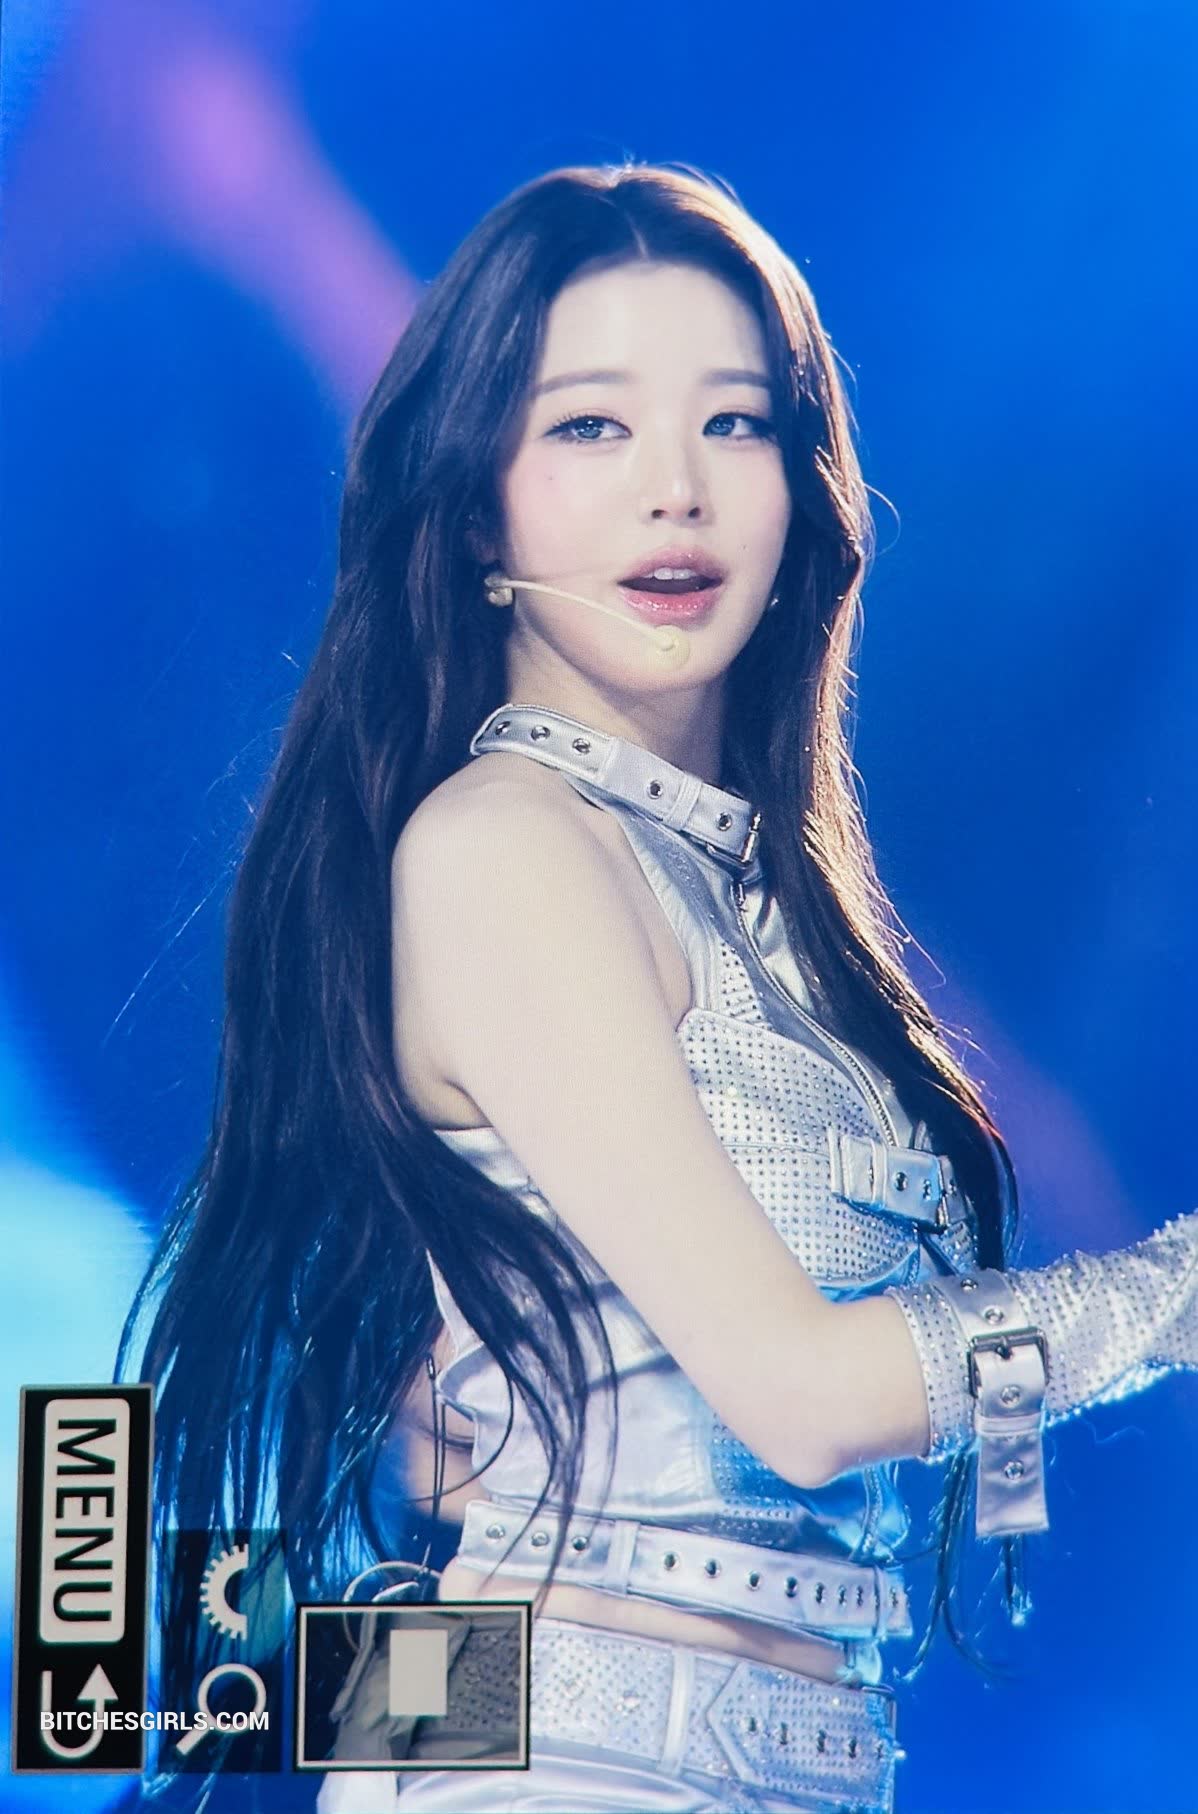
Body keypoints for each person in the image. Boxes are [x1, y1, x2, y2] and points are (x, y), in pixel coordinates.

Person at [122, 163, 1198, 1814]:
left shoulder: (771, 912)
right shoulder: (502, 842)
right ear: (477, 510)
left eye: (734, 423)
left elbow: (905, 1468)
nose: (675, 492)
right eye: (590, 426)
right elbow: (802, 1395)